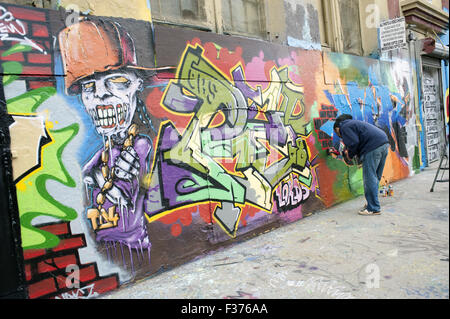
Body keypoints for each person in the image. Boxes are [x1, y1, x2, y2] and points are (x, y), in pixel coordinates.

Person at [333, 114, 389, 216]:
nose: (339, 135)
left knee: (369, 178)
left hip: (373, 147)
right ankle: (371, 204)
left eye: (337, 133)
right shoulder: (353, 124)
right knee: (375, 177)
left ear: (337, 128)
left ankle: (373, 208)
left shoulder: (344, 127)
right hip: (383, 143)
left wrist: (349, 154)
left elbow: (354, 143)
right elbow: (358, 141)